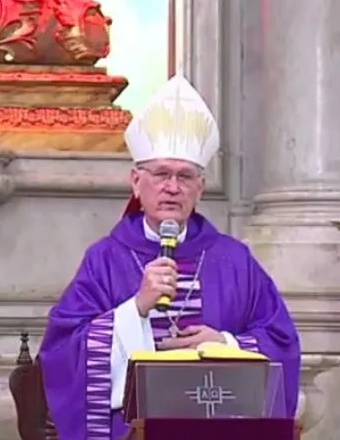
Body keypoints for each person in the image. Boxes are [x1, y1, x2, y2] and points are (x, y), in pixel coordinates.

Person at [38, 75, 301, 440]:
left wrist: (224, 345)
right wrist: (135, 309)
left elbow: (281, 341)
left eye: (185, 176)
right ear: (136, 182)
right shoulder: (105, 259)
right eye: (161, 174)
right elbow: (62, 349)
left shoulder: (234, 259)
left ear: (200, 188)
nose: (172, 188)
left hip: (221, 427)